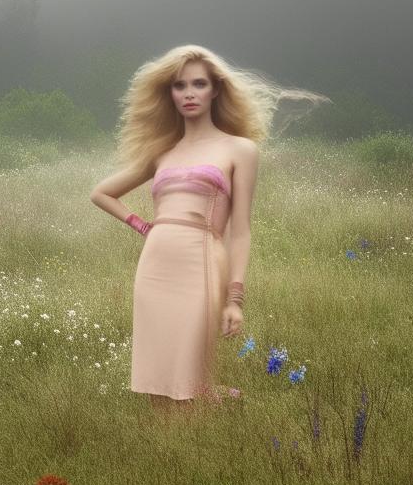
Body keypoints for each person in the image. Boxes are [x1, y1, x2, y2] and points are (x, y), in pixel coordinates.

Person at [90, 45, 278, 409]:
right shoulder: (162, 152)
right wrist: (144, 226)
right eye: (179, 86)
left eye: (199, 84)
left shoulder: (240, 149)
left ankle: (200, 443)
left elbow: (240, 230)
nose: (189, 93)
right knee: (156, 376)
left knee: (191, 375)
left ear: (216, 90)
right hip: (155, 266)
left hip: (203, 261)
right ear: (169, 93)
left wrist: (235, 299)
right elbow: (101, 193)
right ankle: (163, 453)